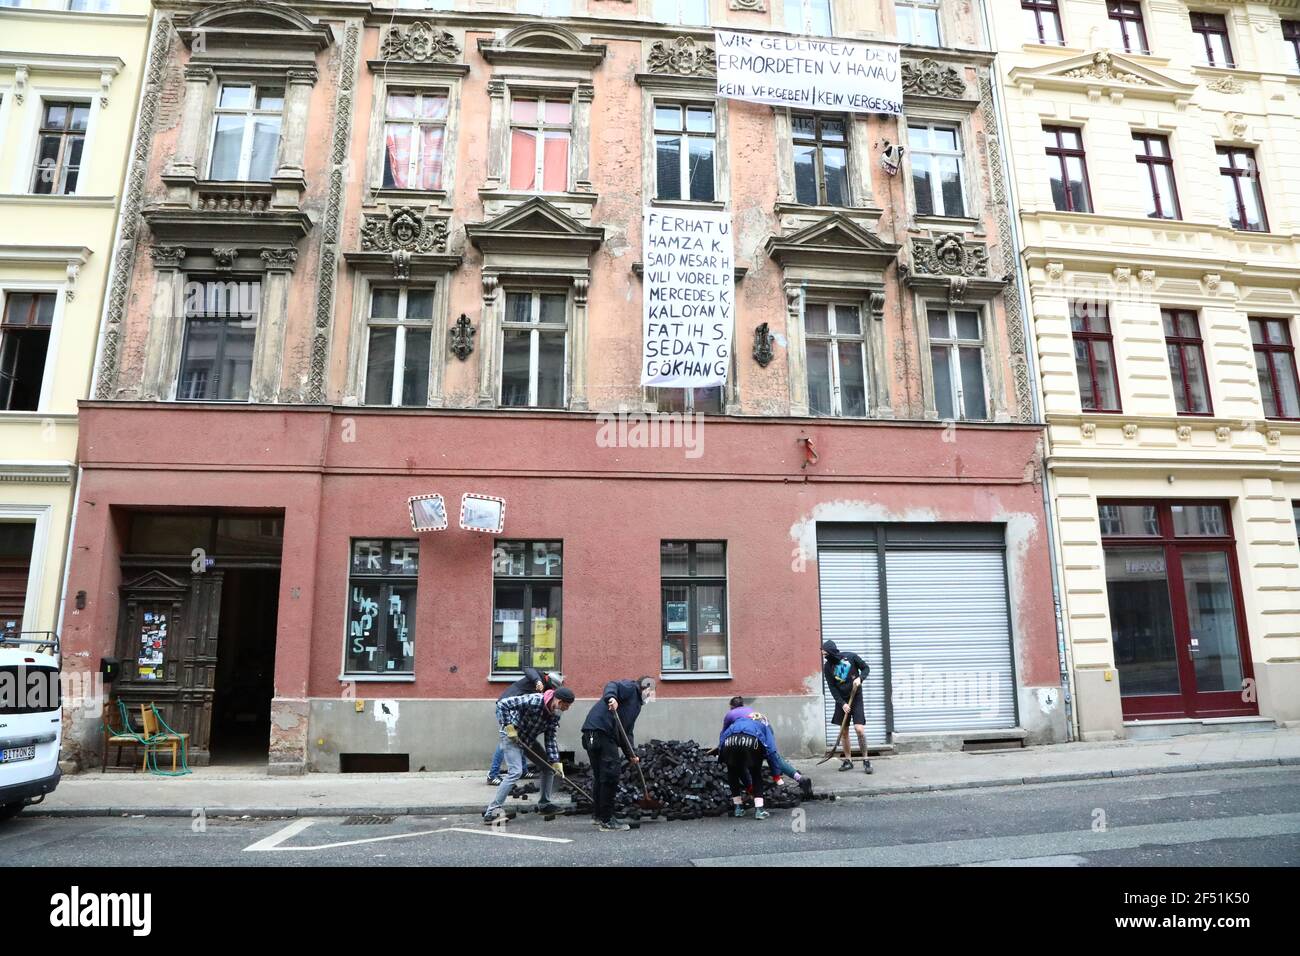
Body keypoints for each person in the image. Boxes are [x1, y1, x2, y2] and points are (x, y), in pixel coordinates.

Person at [483, 686, 575, 825]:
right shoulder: (534, 700)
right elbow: (503, 704)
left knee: (548, 768)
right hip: (512, 737)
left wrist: (555, 761)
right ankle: (492, 813)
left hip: (528, 740)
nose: (565, 709)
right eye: (565, 706)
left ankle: (544, 805)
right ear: (558, 700)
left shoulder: (555, 714)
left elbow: (550, 738)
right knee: (516, 772)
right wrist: (509, 726)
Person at [580, 676, 653, 832]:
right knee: (610, 775)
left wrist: (631, 754)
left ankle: (599, 816)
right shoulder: (631, 688)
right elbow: (612, 684)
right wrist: (611, 698)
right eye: (651, 691)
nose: (651, 694)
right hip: (602, 731)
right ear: (644, 688)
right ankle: (607, 820)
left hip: (594, 731)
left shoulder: (636, 706)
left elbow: (626, 732)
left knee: (601, 776)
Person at [487, 669, 565, 786]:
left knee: (522, 738)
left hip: (518, 711)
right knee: (507, 738)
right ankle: (492, 775)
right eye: (553, 688)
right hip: (507, 706)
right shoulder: (539, 676)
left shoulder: (547, 691)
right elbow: (528, 669)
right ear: (549, 680)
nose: (553, 691)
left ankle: (523, 770)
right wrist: (538, 681)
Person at [723, 696, 813, 797]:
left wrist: (722, 748)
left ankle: (753, 789)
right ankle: (798, 778)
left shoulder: (731, 714)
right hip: (766, 728)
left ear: (731, 706)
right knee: (773, 755)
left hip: (754, 734)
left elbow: (725, 732)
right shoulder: (749, 710)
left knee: (741, 760)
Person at [718, 706, 783, 819]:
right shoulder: (764, 725)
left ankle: (738, 808)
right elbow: (772, 751)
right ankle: (759, 810)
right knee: (755, 773)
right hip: (752, 740)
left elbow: (722, 739)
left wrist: (721, 758)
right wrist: (776, 774)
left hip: (729, 741)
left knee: (732, 772)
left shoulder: (736, 723)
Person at [822, 640, 872, 773]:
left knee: (859, 729)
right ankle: (848, 761)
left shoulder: (851, 657)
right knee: (844, 731)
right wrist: (842, 704)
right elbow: (832, 687)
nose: (824, 655)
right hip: (842, 701)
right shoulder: (828, 667)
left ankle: (866, 760)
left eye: (825, 653)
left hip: (855, 697)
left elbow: (866, 668)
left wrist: (860, 678)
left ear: (832, 652)